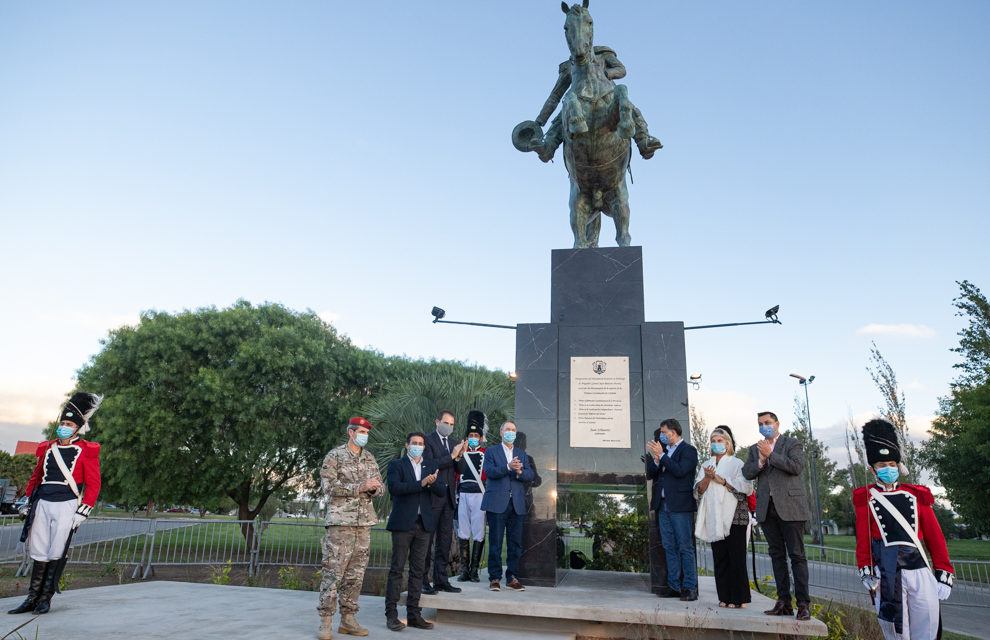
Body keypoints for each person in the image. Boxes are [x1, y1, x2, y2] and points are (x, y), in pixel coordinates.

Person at [853, 419, 954, 640]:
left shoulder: (917, 494)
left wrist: (943, 572)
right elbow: (863, 540)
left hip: (919, 570)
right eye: (881, 465)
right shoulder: (866, 498)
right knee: (896, 632)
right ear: (872, 469)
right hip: (887, 573)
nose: (887, 469)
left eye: (891, 463)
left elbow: (935, 537)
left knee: (926, 627)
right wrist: (866, 569)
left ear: (898, 465)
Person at [10, 392, 102, 616]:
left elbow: (94, 484)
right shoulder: (47, 448)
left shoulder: (86, 451)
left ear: (78, 428)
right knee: (39, 550)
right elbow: (35, 477)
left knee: (56, 551)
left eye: (69, 424)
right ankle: (31, 598)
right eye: (62, 423)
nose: (64, 426)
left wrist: (84, 510)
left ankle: (45, 599)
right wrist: (27, 501)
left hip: (67, 504)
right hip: (42, 502)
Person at [533, 45, 662, 161]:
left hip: (605, 94)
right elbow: (555, 95)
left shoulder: (602, 54)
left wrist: (605, 74)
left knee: (627, 104)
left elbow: (621, 69)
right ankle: (549, 146)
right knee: (563, 115)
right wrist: (539, 121)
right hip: (578, 99)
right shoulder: (568, 66)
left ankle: (643, 141)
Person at [317, 417, 384, 640]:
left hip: (364, 523)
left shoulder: (370, 458)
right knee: (333, 573)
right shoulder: (334, 456)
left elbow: (380, 488)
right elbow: (328, 487)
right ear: (351, 432)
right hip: (341, 523)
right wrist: (360, 487)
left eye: (367, 431)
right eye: (361, 431)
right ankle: (325, 621)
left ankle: (348, 620)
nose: (364, 434)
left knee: (356, 575)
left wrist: (374, 489)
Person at [742, 411, 811, 621]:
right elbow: (747, 472)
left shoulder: (792, 444)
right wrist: (761, 461)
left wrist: (771, 455)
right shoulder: (755, 449)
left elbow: (796, 467)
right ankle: (783, 602)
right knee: (777, 556)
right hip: (767, 509)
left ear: (777, 424)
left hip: (790, 507)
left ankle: (803, 604)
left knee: (797, 556)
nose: (764, 426)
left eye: (768, 423)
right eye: (761, 423)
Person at [384, 432, 444, 632]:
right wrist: (421, 484)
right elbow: (395, 488)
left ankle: (414, 614)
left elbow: (442, 492)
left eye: (421, 443)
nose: (418, 446)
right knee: (397, 569)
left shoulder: (430, 465)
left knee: (419, 571)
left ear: (424, 447)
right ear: (407, 445)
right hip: (403, 524)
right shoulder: (396, 465)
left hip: (424, 524)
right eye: (414, 443)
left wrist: (434, 482)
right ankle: (391, 615)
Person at [693, 426, 753, 609]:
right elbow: (697, 491)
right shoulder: (706, 464)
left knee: (736, 557)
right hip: (715, 515)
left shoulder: (737, 463)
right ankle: (724, 596)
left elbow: (747, 487)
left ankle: (739, 597)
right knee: (720, 558)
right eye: (713, 441)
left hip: (735, 515)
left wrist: (722, 480)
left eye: (720, 441)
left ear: (727, 443)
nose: (716, 444)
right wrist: (707, 478)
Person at [645, 418, 699, 601]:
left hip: (680, 506)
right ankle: (674, 586)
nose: (661, 436)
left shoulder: (689, 451)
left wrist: (664, 457)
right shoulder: (664, 452)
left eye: (663, 432)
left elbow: (680, 471)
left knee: (685, 547)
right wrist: (657, 459)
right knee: (669, 546)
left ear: (673, 432)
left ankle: (690, 587)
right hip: (663, 506)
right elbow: (651, 474)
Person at [480, 421, 534, 592]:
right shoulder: (491, 451)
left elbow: (530, 474)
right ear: (501, 432)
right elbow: (489, 472)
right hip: (497, 503)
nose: (511, 432)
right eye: (508, 429)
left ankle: (512, 578)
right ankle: (494, 578)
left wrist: (519, 472)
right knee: (495, 542)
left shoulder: (521, 454)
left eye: (513, 430)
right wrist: (507, 467)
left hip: (516, 504)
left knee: (515, 543)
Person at [421, 410, 465, 594]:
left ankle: (441, 580)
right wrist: (452, 456)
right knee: (426, 541)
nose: (449, 427)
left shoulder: (454, 444)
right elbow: (431, 465)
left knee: (444, 542)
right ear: (437, 421)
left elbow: (460, 469)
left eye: (452, 424)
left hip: (448, 498)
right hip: (432, 497)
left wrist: (460, 456)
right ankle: (423, 581)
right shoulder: (427, 440)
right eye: (446, 422)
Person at [455, 412, 487, 583]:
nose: (473, 437)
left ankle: (474, 570)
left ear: (481, 438)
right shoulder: (460, 452)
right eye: (471, 435)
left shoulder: (485, 453)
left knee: (479, 532)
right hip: (463, 495)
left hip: (479, 495)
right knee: (463, 532)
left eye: (476, 435)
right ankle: (464, 570)